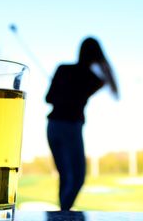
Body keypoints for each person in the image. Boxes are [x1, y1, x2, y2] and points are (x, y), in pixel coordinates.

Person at [45, 36, 119, 210]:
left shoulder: (63, 69)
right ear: (97, 55)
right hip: (70, 127)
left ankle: (62, 217)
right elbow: (111, 87)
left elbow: (49, 98)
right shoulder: (93, 79)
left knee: (65, 176)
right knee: (77, 177)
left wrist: (61, 87)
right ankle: (63, 215)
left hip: (53, 126)